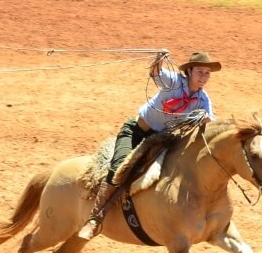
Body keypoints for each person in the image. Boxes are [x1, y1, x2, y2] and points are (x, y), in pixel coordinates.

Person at [78, 51, 220, 240]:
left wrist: (207, 120)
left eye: (207, 73)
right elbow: (155, 73)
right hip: (136, 131)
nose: (204, 77)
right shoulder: (174, 82)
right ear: (190, 71)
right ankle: (94, 219)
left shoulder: (204, 100)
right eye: (200, 72)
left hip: (161, 140)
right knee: (120, 166)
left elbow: (210, 124)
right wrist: (158, 60)